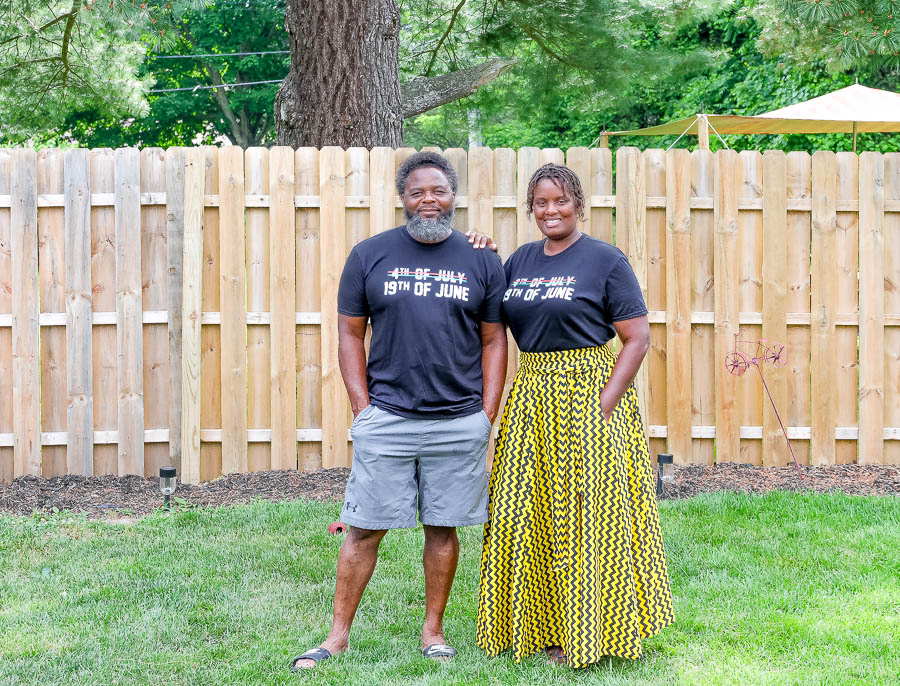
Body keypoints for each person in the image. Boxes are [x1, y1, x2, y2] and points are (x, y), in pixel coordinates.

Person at [290, 151, 508, 670]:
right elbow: (349, 334)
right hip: (387, 418)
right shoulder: (370, 254)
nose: (428, 200)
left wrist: (486, 414)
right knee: (363, 528)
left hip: (458, 420)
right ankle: (337, 636)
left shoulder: (481, 259)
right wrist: (361, 408)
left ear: (453, 196)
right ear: (402, 199)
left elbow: (494, 340)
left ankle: (433, 632)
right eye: (417, 192)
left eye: (438, 191)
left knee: (442, 528)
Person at [475, 163, 674, 668]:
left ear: (578, 205)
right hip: (532, 397)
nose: (551, 211)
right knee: (524, 511)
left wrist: (604, 404)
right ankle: (535, 624)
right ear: (531, 209)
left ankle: (588, 631)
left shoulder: (605, 260)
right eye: (541, 203)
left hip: (590, 394)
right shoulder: (518, 261)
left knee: (588, 516)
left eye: (561, 201)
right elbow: (490, 317)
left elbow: (637, 339)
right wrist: (480, 253)